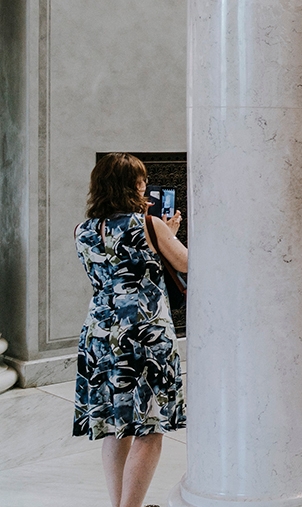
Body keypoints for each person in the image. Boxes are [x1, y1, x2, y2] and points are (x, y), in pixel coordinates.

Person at [74, 153, 187, 507]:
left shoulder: (83, 230)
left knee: (115, 424)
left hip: (100, 335)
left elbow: (114, 269)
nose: (144, 186)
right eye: (140, 180)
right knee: (149, 427)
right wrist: (166, 236)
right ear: (131, 186)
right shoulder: (148, 224)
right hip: (144, 334)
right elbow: (186, 263)